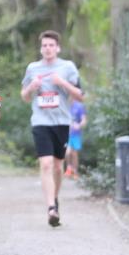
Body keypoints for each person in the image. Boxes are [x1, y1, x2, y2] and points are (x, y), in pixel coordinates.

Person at [21, 31, 83, 227]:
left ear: (58, 48)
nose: (47, 49)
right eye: (44, 45)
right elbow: (25, 96)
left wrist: (62, 83)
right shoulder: (33, 68)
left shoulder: (67, 67)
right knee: (46, 164)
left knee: (57, 166)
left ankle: (54, 199)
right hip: (40, 122)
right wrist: (31, 87)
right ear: (41, 49)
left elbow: (80, 95)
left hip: (62, 122)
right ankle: (50, 208)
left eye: (51, 45)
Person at [64, 100, 87, 179]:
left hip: (75, 134)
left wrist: (79, 125)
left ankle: (75, 171)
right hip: (65, 134)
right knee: (67, 152)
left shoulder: (79, 106)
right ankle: (69, 168)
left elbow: (84, 120)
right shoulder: (63, 105)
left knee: (74, 153)